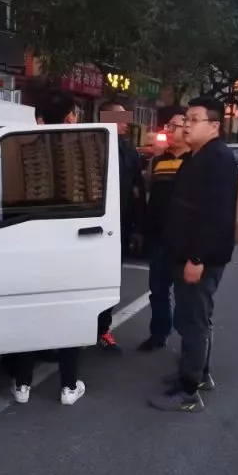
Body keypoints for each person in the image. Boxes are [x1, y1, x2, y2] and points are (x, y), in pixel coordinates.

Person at [149, 97, 238, 412]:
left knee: (193, 321)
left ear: (214, 126)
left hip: (199, 258)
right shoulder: (197, 157)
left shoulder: (217, 160)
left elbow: (216, 217)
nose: (186, 125)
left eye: (194, 119)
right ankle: (199, 374)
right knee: (193, 318)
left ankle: (188, 391)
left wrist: (197, 258)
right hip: (187, 253)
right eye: (185, 119)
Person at [8, 88, 85, 406]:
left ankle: (22, 384)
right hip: (72, 245)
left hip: (30, 243)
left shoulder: (18, 148)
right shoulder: (87, 148)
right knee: (70, 316)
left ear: (39, 119)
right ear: (70, 117)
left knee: (31, 314)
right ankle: (69, 387)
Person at [137, 107, 191, 351]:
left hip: (185, 240)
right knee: (157, 290)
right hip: (158, 237)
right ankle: (159, 333)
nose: (168, 130)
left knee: (186, 296)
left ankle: (191, 344)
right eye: (167, 125)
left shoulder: (196, 160)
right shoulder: (158, 161)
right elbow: (150, 193)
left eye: (174, 126)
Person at [95, 99, 146, 353]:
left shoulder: (130, 152)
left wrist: (138, 228)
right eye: (120, 118)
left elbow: (138, 191)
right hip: (92, 226)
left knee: (111, 280)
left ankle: (103, 330)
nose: (126, 123)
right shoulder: (94, 145)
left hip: (119, 228)